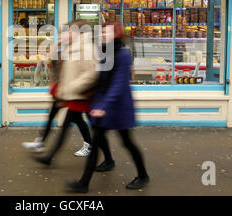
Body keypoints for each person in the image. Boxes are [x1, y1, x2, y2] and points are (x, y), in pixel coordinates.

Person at [66, 21, 150, 193]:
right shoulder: (105, 52)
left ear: (117, 34)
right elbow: (101, 81)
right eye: (102, 32)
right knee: (96, 143)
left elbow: (118, 84)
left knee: (127, 143)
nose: (103, 35)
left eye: (107, 32)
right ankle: (84, 183)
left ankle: (143, 175)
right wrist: (94, 103)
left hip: (119, 108)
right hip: (104, 106)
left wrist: (102, 105)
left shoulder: (123, 55)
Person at [33, 20, 99, 165]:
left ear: (79, 33)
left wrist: (72, 87)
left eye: (70, 31)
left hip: (83, 95)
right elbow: (63, 69)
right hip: (74, 94)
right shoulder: (73, 47)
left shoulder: (85, 48)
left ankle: (51, 156)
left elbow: (91, 73)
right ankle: (50, 156)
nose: (66, 34)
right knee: (75, 124)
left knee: (93, 129)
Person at [22, 34, 93, 156]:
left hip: (74, 92)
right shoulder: (61, 48)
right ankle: (42, 142)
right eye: (61, 34)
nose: (62, 36)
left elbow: (82, 72)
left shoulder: (78, 50)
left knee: (78, 120)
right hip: (62, 89)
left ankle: (91, 145)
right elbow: (56, 70)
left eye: (66, 34)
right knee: (53, 116)